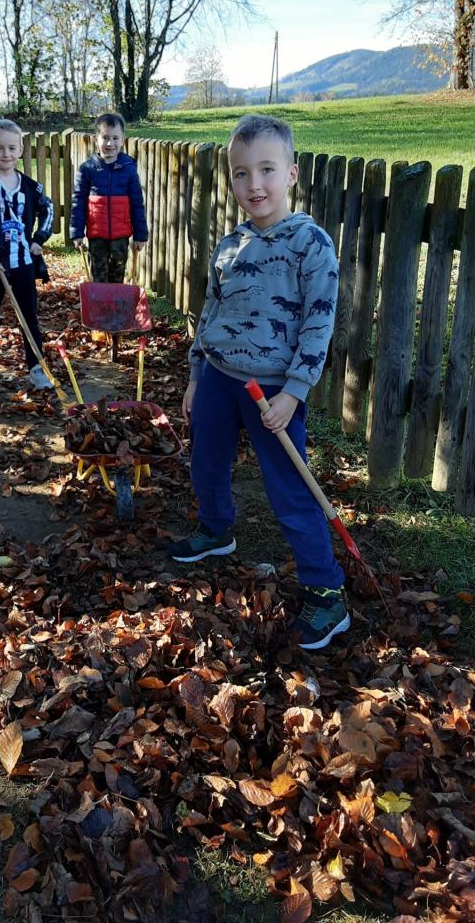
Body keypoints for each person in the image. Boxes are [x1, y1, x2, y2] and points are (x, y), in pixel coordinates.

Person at [168, 113, 349, 651]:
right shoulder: (230, 246)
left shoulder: (310, 243)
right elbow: (210, 312)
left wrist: (294, 392)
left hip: (274, 390)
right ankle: (216, 530)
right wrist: (197, 376)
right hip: (220, 380)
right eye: (242, 173)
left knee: (290, 490)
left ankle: (326, 591)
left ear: (292, 173)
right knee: (205, 461)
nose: (254, 184)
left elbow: (319, 323)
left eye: (267, 170)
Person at [0, 118, 54, 393]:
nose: (6, 154)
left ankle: (37, 368)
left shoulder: (30, 186)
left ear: (20, 150)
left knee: (29, 317)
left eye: (11, 148)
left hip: (23, 265)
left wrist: (39, 239)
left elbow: (48, 210)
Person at [70, 112, 148, 282]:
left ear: (122, 140)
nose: (110, 143)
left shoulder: (129, 169)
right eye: (105, 137)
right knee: (99, 278)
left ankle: (115, 308)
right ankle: (98, 307)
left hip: (121, 238)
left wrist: (140, 235)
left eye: (115, 138)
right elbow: (78, 202)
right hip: (96, 237)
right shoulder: (87, 169)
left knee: (117, 277)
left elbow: (137, 203)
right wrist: (77, 232)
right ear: (96, 139)